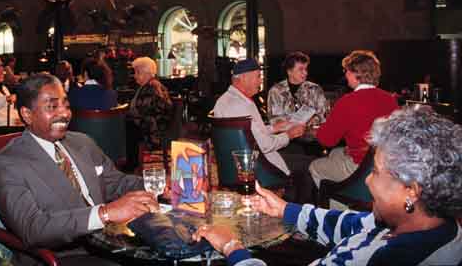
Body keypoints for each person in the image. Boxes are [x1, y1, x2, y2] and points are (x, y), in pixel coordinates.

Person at [192, 107, 462, 266]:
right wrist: (286, 210)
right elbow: (352, 224)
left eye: (376, 173)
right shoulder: (427, 225)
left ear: (411, 191)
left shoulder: (384, 259)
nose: (367, 180)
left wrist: (231, 247)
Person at [0, 73, 158, 265]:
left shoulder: (81, 142)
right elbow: (32, 228)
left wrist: (158, 185)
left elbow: (114, 182)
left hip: (111, 241)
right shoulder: (7, 165)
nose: (64, 113)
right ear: (27, 114)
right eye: (52, 106)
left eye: (66, 105)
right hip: (62, 257)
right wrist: (105, 213)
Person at [213, 58, 315, 203]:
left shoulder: (224, 101)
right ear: (244, 78)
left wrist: (274, 128)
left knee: (296, 154)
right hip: (257, 168)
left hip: (232, 167)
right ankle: (296, 216)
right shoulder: (242, 106)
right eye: (258, 76)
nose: (260, 81)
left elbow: (248, 134)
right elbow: (265, 145)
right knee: (311, 164)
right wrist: (290, 134)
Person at [309, 50, 398, 187]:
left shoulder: (348, 101)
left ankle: (340, 203)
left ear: (355, 74)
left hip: (360, 168)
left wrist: (316, 130)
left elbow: (326, 140)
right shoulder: (390, 99)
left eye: (346, 71)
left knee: (315, 167)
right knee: (335, 153)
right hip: (387, 166)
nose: (345, 75)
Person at [126, 57, 173, 169]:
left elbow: (142, 111)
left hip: (153, 130)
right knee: (128, 124)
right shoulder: (154, 85)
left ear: (147, 73)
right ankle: (131, 161)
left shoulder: (150, 87)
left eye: (138, 72)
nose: (135, 76)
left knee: (127, 126)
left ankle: (131, 164)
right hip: (157, 126)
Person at [267, 52, 327, 125]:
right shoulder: (276, 91)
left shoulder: (315, 89)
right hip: (286, 134)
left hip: (310, 134)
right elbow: (274, 118)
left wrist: (312, 120)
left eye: (306, 69)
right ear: (289, 71)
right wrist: (290, 125)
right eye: (301, 69)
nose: (305, 73)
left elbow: (323, 114)